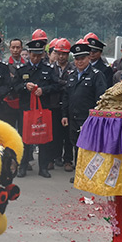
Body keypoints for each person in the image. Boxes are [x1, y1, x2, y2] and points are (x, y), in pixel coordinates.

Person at [61, 40, 108, 174]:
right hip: (73, 117)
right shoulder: (72, 75)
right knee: (76, 145)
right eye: (76, 59)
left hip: (89, 119)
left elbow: (101, 98)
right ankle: (79, 173)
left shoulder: (96, 75)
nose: (79, 62)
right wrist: (64, 115)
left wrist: (97, 118)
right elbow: (66, 97)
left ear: (88, 57)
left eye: (82, 58)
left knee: (89, 147)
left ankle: (89, 173)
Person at [13, 37, 57, 177]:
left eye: (39, 55)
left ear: (43, 54)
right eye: (33, 55)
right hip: (26, 110)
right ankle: (23, 166)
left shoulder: (48, 69)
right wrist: (25, 86)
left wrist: (44, 90)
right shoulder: (21, 70)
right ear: (29, 54)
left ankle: (43, 167)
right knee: (24, 138)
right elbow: (14, 87)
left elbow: (56, 86)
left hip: (43, 109)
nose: (36, 58)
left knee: (42, 137)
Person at [47, 38, 73, 168]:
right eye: (59, 53)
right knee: (54, 133)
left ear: (68, 55)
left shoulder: (73, 68)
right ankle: (53, 157)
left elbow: (71, 86)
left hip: (68, 105)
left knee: (68, 134)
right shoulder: (50, 68)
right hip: (53, 104)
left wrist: (59, 83)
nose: (61, 56)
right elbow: (51, 84)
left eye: (64, 54)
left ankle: (68, 159)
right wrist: (63, 84)